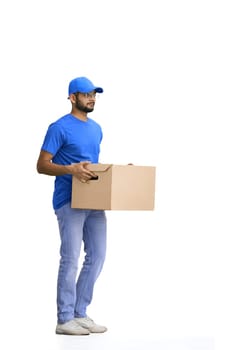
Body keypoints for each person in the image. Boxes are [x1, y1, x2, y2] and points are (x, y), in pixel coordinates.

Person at [36, 76, 107, 336]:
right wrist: (70, 169)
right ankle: (64, 318)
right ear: (72, 97)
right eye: (86, 94)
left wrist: (118, 175)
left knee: (98, 256)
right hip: (69, 200)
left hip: (95, 199)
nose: (91, 98)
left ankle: (80, 312)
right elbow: (42, 165)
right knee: (70, 258)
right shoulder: (59, 128)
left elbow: (91, 165)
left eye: (94, 94)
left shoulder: (97, 128)